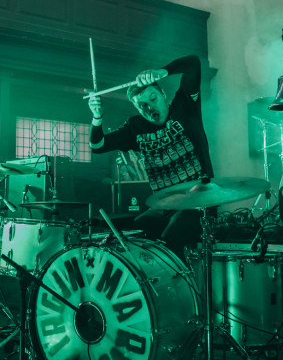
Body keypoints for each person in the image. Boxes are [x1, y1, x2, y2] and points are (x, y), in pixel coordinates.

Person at [87, 55, 213, 258]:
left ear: (163, 94)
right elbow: (97, 145)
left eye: (153, 99)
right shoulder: (135, 127)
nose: (150, 108)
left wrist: (161, 72)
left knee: (169, 241)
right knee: (133, 238)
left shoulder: (184, 106)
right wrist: (97, 117)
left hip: (199, 203)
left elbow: (193, 63)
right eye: (142, 105)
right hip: (164, 206)